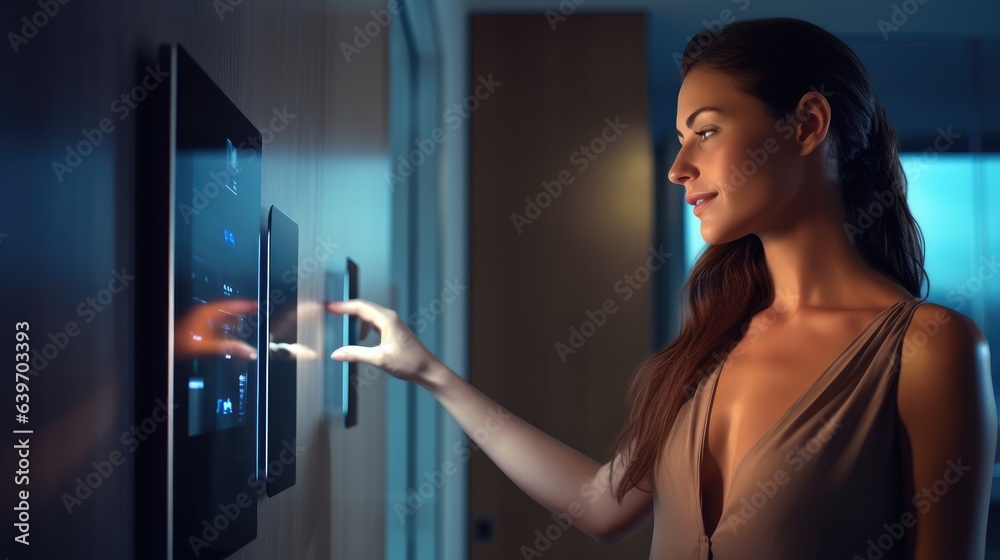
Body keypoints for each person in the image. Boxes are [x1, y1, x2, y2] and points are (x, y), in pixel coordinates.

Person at [326, 17, 996, 560]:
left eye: (705, 131)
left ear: (807, 124)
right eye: (680, 138)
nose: (679, 167)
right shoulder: (714, 340)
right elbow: (601, 505)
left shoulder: (930, 350)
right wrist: (431, 373)